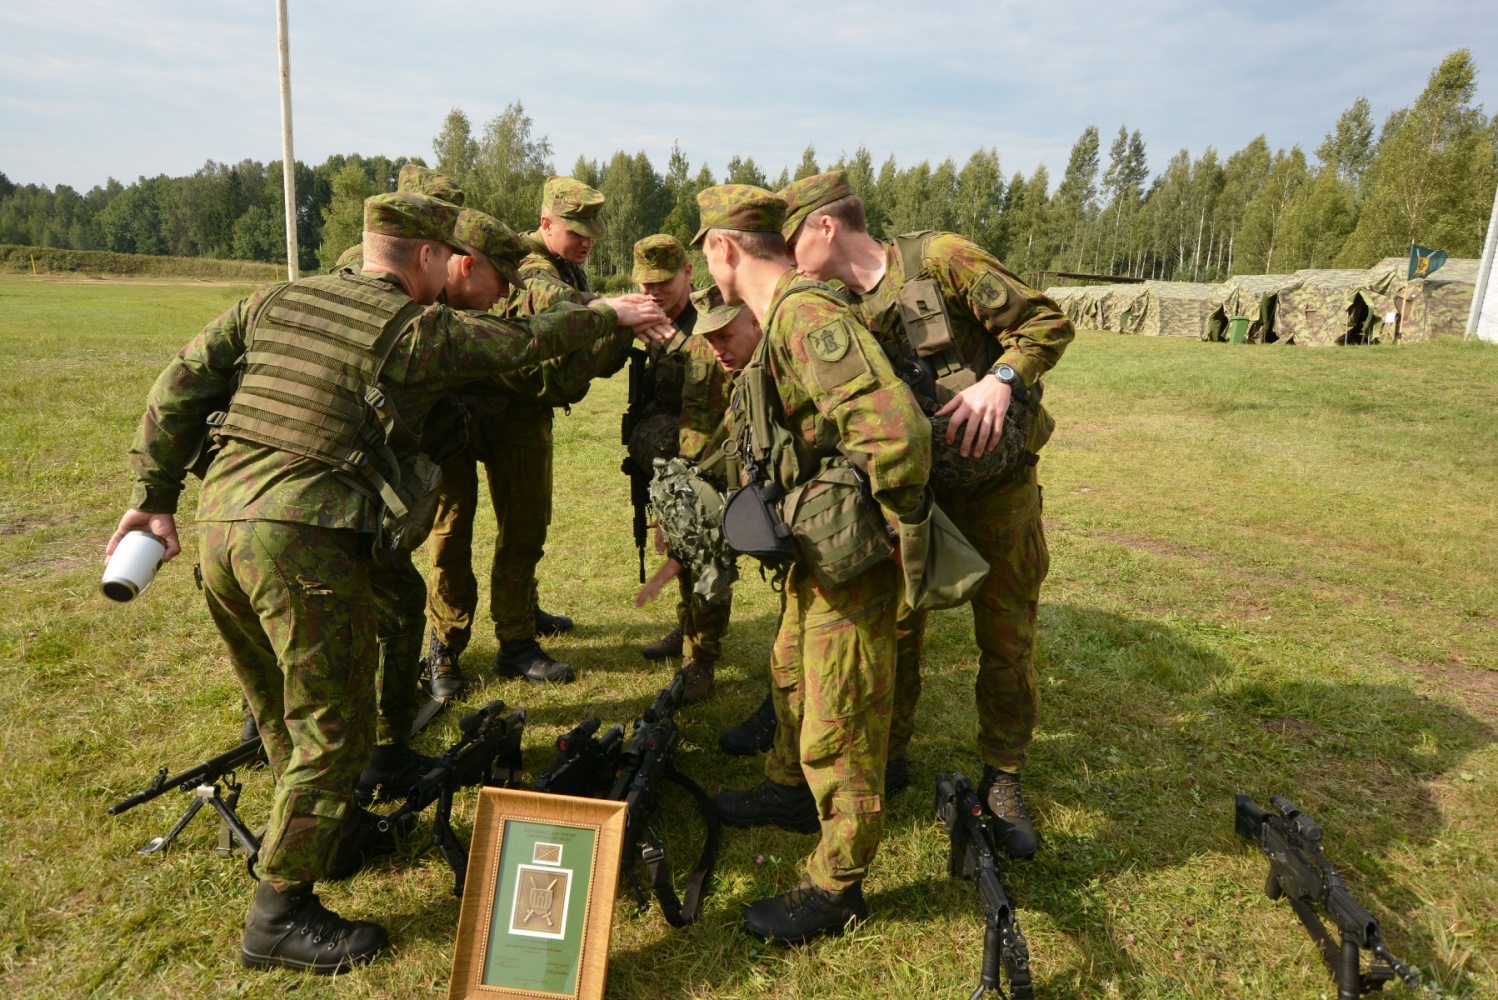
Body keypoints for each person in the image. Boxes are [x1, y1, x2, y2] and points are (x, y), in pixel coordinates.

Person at [105, 191, 667, 973]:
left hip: (221, 531)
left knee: (289, 701)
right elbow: (523, 343)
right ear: (429, 258)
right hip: (305, 538)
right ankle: (278, 915)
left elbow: (179, 384)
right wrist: (609, 314)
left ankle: (324, 833)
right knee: (329, 731)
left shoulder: (276, 299)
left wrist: (152, 500)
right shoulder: (413, 330)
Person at [778, 170, 1074, 859]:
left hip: (999, 491)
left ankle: (1003, 777)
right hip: (920, 497)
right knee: (900, 633)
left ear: (827, 225)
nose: (791, 256)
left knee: (1006, 639)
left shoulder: (939, 259)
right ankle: (893, 754)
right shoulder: (837, 308)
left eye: (794, 237)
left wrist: (1002, 382)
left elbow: (1047, 322)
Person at [696, 185, 930, 944]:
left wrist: (884, 525)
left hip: (848, 552)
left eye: (707, 251)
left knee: (843, 711)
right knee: (792, 673)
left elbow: (896, 432)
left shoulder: (804, 315)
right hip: (815, 544)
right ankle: (788, 793)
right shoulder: (781, 319)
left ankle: (838, 885)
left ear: (723, 248)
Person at [354, 205, 534, 803]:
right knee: (443, 543)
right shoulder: (411, 308)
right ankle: (443, 652)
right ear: (458, 264)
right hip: (404, 457)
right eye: (496, 283)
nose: (501, 296)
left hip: (465, 431)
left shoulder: (445, 306)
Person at [425, 176, 609, 684]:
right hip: (459, 411)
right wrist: (600, 312)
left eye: (593, 229)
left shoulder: (568, 266)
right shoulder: (521, 257)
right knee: (450, 533)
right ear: (546, 222)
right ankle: (445, 644)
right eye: (576, 230)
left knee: (525, 529)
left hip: (522, 414)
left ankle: (518, 634)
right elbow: (545, 296)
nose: (587, 239)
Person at [629, 234, 735, 704]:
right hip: (671, 464)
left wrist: (688, 480)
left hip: (708, 459)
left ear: (688, 272)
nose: (654, 293)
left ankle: (702, 658)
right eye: (645, 284)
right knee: (678, 551)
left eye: (664, 283)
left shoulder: (708, 320)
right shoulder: (654, 321)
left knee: (706, 557)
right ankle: (685, 627)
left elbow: (703, 410)